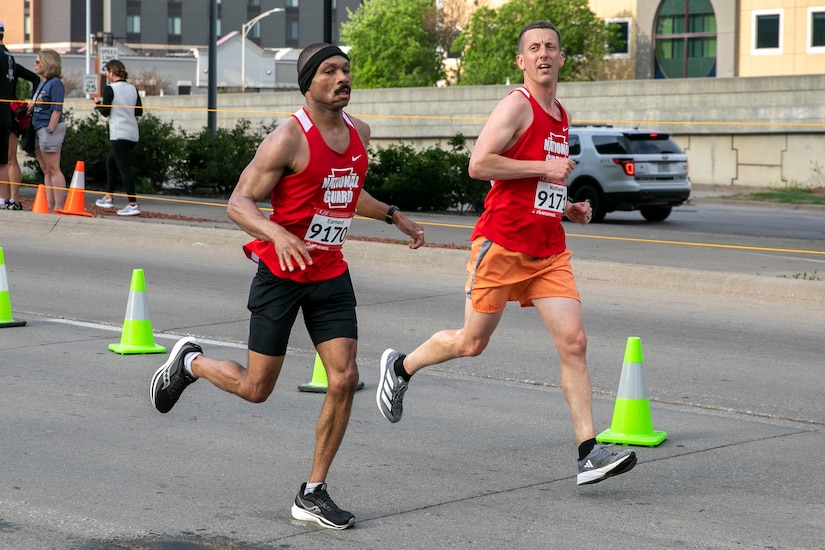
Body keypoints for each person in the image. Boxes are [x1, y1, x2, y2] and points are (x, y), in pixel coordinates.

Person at [150, 43, 425, 530]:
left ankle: (313, 492)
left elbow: (343, 188)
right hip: (280, 275)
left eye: (346, 69)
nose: (342, 77)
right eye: (329, 71)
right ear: (308, 84)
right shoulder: (286, 140)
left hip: (330, 274)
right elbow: (239, 202)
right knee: (257, 388)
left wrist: (391, 214)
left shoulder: (359, 132)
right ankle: (190, 361)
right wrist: (276, 232)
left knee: (343, 378)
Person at [376, 21, 637, 487]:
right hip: (501, 245)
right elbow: (479, 164)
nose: (543, 54)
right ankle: (401, 365)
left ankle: (588, 453)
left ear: (560, 59)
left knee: (574, 343)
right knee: (471, 343)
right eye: (534, 48)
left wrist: (566, 206)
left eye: (551, 47)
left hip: (547, 250)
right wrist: (545, 167)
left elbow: (539, 182)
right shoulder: (517, 104)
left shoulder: (561, 112)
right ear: (521, 60)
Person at [93, 59, 143, 216]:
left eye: (106, 72)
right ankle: (108, 197)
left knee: (124, 169)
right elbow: (139, 112)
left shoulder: (110, 89)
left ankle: (133, 204)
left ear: (111, 72)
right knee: (111, 163)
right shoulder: (132, 88)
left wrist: (98, 105)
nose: (106, 74)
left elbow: (106, 113)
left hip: (118, 133)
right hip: (132, 133)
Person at [0, 21, 38, 210]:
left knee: (7, 159)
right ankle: (9, 199)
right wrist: (33, 100)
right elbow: (35, 78)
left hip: (5, 112)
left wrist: (33, 101)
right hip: (10, 113)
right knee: (9, 158)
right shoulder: (10, 59)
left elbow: (35, 78)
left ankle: (9, 198)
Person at [29, 49, 66, 212]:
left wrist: (50, 130)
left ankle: (58, 206)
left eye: (38, 62)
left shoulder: (56, 83)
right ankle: (49, 205)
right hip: (37, 127)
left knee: (53, 168)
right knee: (46, 169)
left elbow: (56, 109)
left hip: (48, 128)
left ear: (47, 63)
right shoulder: (43, 82)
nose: (34, 65)